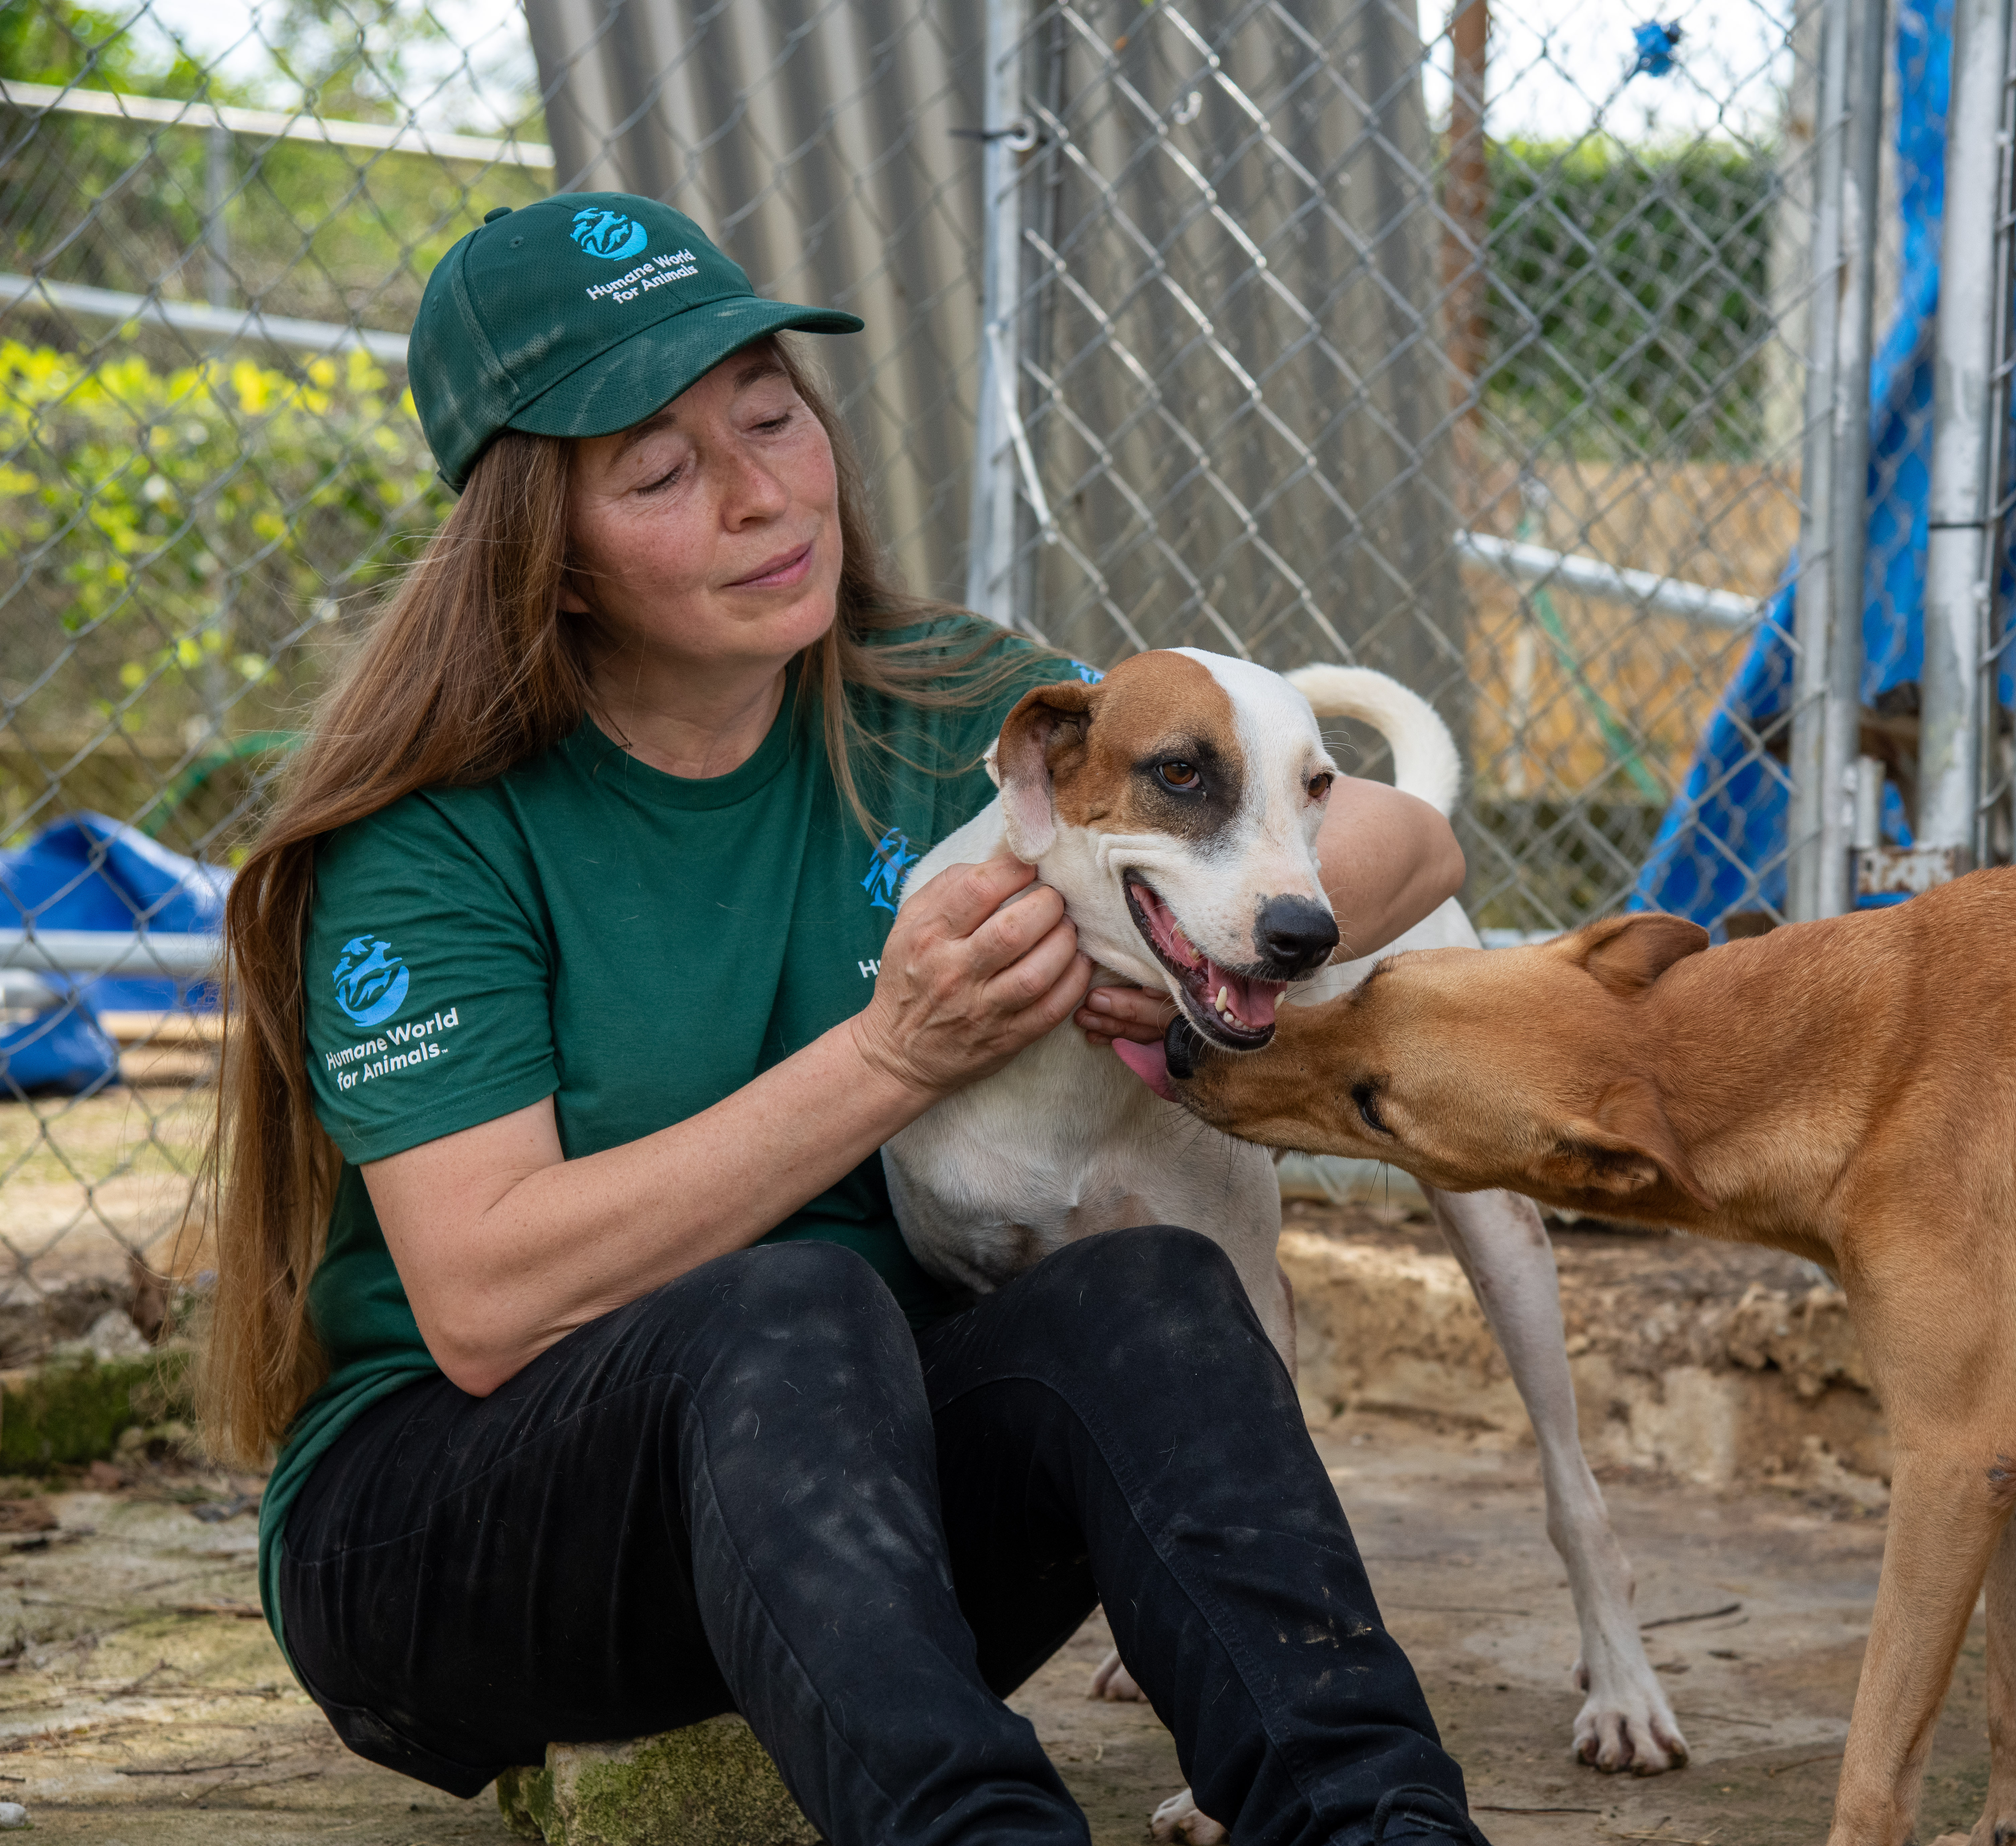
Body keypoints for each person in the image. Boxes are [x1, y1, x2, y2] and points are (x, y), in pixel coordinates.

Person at [202, 192, 1482, 1846]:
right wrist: (895, 1054)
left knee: (1154, 1291)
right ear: (546, 552)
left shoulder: (954, 699)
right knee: (789, 1301)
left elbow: (1394, 841)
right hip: (456, 1538)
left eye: (771, 414)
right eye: (660, 472)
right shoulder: (435, 836)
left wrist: (1167, 950)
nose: (760, 494)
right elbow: (485, 1297)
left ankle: (1377, 1819)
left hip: (849, 1527)